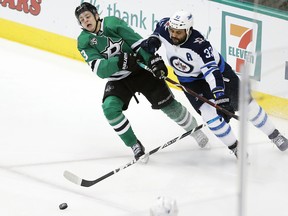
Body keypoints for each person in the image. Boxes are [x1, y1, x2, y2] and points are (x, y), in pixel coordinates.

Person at [141, 10, 288, 157]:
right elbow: (159, 29)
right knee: (210, 117)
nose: (173, 35)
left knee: (248, 106)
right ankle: (235, 147)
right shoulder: (165, 28)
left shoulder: (200, 45)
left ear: (188, 30)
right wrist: (154, 39)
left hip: (220, 74)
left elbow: (212, 73)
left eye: (178, 33)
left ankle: (275, 135)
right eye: (172, 31)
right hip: (190, 82)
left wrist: (220, 98)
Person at [74, 3, 209, 161]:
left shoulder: (112, 23)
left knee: (169, 105)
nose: (85, 20)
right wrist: (120, 61)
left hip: (140, 71)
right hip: (118, 80)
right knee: (109, 109)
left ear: (96, 15)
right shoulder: (84, 41)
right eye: (81, 19)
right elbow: (100, 70)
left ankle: (195, 130)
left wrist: (152, 61)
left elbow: (137, 43)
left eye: (88, 16)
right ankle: (134, 144)